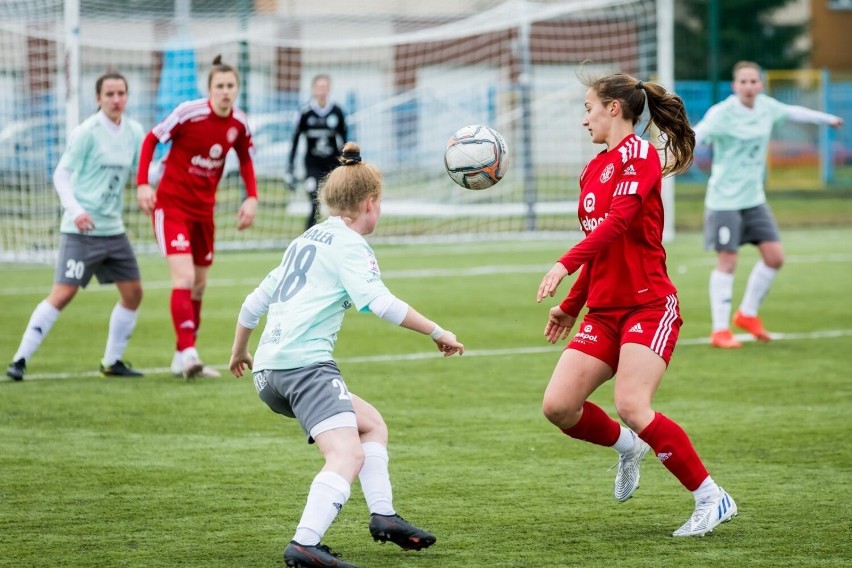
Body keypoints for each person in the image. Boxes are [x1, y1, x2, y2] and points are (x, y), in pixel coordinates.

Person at [229, 142, 464, 567]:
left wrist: (240, 352)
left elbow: (252, 303)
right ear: (370, 203)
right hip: (304, 367)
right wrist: (437, 331)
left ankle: (384, 516)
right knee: (346, 455)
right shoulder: (351, 245)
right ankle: (304, 544)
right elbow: (379, 302)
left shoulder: (305, 239)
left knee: (371, 425)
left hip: (269, 372)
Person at [535, 72, 737, 537]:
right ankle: (629, 447)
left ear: (613, 109)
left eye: (588, 107)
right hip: (603, 310)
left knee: (631, 402)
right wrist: (571, 304)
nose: (583, 119)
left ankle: (711, 497)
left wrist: (563, 264)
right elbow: (599, 244)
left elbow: (620, 223)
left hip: (649, 306)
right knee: (559, 406)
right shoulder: (593, 169)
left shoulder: (639, 156)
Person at [6, 72, 146, 381]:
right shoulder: (86, 132)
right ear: (98, 98)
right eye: (109, 94)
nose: (116, 99)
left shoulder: (134, 131)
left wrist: (146, 187)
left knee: (134, 293)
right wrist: (77, 211)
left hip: (113, 229)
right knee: (63, 294)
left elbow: (144, 169)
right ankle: (19, 360)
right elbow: (61, 176)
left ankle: (111, 363)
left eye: (121, 93)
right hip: (81, 231)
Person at [694, 61, 844, 349]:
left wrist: (827, 119)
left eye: (754, 82)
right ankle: (720, 329)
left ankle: (747, 314)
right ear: (734, 86)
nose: (749, 87)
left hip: (754, 199)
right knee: (728, 261)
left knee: (775, 257)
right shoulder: (722, 113)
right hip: (725, 200)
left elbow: (795, 112)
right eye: (744, 82)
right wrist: (678, 145)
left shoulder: (766, 107)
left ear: (760, 85)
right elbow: (698, 134)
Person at [136, 55, 258, 379]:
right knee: (185, 278)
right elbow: (151, 139)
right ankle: (190, 352)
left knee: (200, 286)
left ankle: (181, 355)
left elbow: (246, 158)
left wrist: (252, 197)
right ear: (209, 89)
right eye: (220, 86)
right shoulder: (189, 113)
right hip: (171, 207)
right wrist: (143, 184)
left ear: (237, 89)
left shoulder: (239, 124)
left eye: (231, 86)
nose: (225, 92)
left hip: (204, 213)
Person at [285, 74, 348, 231]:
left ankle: (338, 236)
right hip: (312, 166)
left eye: (325, 87)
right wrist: (290, 167)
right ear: (313, 90)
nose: (322, 91)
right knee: (314, 202)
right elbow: (295, 141)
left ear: (329, 89)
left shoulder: (337, 112)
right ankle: (309, 237)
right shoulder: (305, 112)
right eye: (319, 87)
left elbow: (345, 141)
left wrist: (347, 164)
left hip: (333, 165)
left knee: (337, 205)